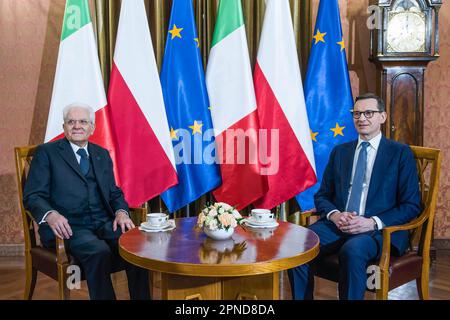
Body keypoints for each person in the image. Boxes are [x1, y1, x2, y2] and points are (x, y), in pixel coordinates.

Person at [288, 93, 421, 300]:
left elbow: (411, 205)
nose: (362, 118)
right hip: (339, 224)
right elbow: (322, 195)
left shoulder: (400, 153)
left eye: (369, 113)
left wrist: (371, 222)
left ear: (383, 117)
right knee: (298, 245)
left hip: (378, 230)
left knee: (353, 250)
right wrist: (334, 215)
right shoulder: (340, 152)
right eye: (357, 113)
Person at [23, 103, 150, 300]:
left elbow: (113, 192)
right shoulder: (46, 153)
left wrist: (121, 212)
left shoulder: (101, 154)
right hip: (68, 227)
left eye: (83, 122)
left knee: (135, 248)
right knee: (98, 252)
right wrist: (51, 215)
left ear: (92, 127)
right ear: (64, 126)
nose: (77, 126)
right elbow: (33, 195)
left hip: (103, 222)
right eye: (71, 122)